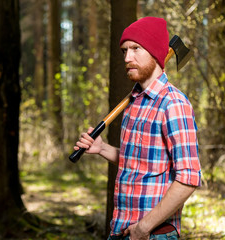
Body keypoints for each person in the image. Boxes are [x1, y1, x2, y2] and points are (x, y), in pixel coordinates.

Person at [74, 17, 201, 240]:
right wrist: (102, 148)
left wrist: (144, 227)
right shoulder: (134, 103)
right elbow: (139, 163)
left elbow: (188, 178)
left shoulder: (174, 104)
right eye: (124, 50)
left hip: (153, 234)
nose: (127, 58)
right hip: (121, 229)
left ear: (155, 52)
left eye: (136, 49)